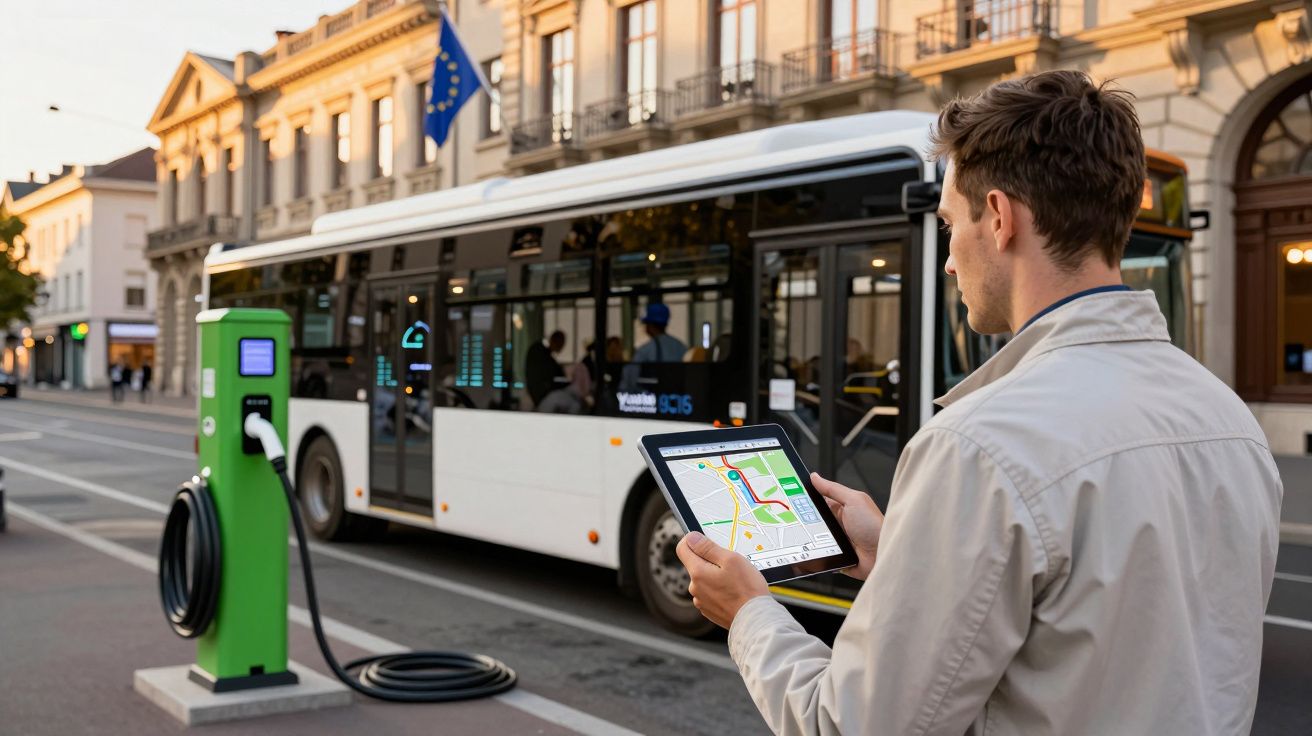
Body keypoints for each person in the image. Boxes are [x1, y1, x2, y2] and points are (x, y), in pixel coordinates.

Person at [676, 70, 1283, 735]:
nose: (948, 262)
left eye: (948, 225)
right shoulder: (1230, 421)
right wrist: (900, 555)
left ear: (998, 218)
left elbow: (854, 726)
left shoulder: (979, 446)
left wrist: (751, 614)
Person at [525, 330, 565, 406]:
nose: (561, 347)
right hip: (541, 396)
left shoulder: (544, 353)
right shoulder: (540, 352)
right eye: (560, 344)